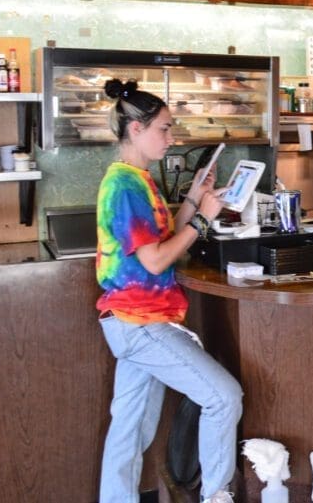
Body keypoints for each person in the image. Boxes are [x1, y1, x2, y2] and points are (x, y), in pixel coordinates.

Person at [96, 78, 242, 503]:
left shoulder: (137, 179)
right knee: (223, 397)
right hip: (140, 322)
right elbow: (157, 261)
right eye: (164, 128)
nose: (172, 137)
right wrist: (202, 222)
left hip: (129, 320)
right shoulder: (124, 185)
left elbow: (163, 242)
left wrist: (196, 200)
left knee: (129, 428)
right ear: (136, 130)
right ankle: (217, 496)